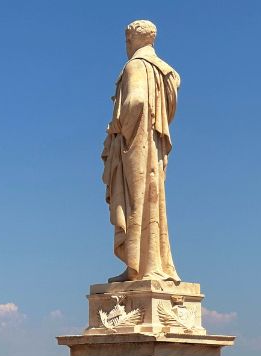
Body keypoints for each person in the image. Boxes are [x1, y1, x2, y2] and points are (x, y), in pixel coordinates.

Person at [102, 20, 181, 283]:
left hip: (136, 142)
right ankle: (149, 266)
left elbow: (135, 101)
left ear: (135, 40)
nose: (126, 45)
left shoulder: (136, 65)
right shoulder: (163, 71)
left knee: (137, 200)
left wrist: (117, 125)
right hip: (154, 146)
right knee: (151, 200)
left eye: (127, 40)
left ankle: (140, 268)